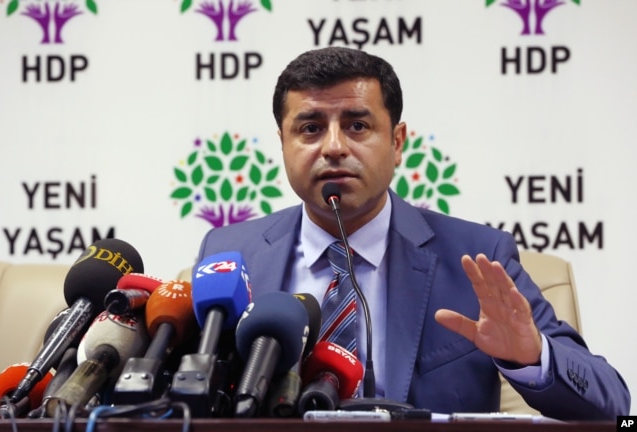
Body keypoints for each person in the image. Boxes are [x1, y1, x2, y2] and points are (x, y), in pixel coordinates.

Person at [196, 46, 630, 420]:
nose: (333, 147)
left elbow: (612, 403)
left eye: (357, 126)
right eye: (310, 128)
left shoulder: (476, 259)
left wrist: (531, 356)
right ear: (283, 143)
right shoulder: (233, 254)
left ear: (398, 141)